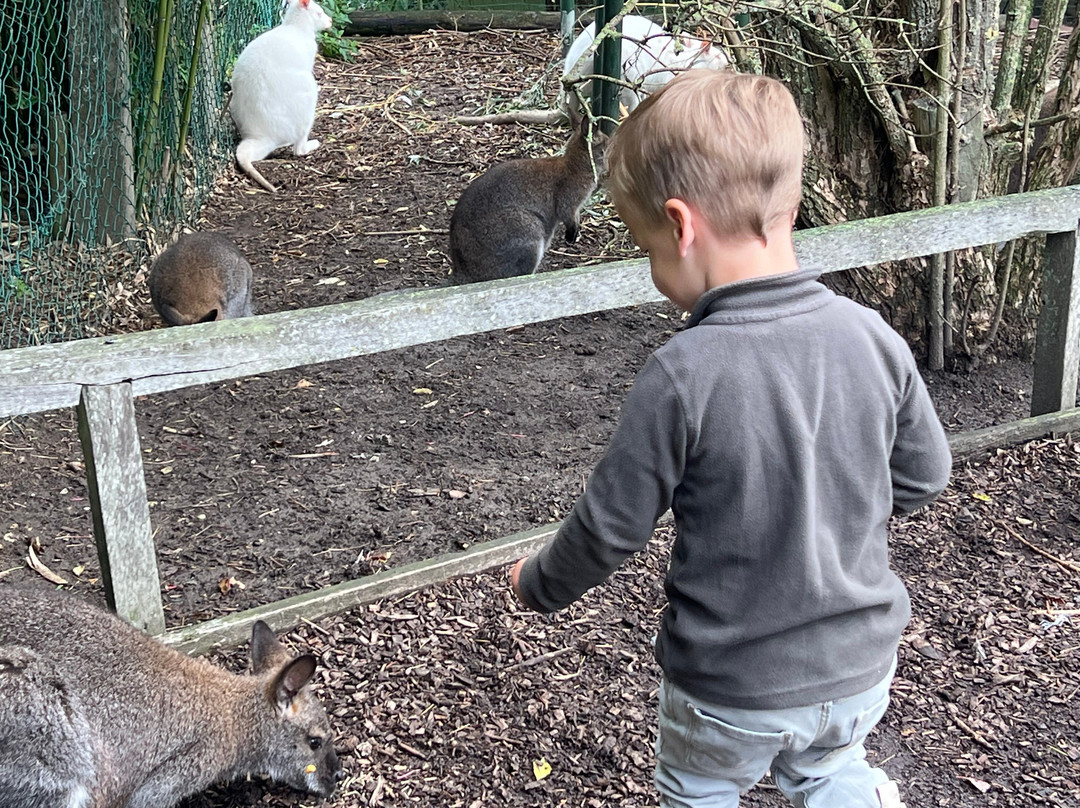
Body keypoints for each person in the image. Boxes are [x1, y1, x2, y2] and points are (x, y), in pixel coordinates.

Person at [508, 69, 952, 808]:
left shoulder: (683, 374)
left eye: (646, 247)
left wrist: (539, 583)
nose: (652, 265)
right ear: (790, 207)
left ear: (680, 228)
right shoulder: (870, 336)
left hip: (729, 685)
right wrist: (832, 507)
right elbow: (924, 476)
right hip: (859, 667)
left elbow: (610, 528)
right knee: (829, 771)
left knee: (701, 789)